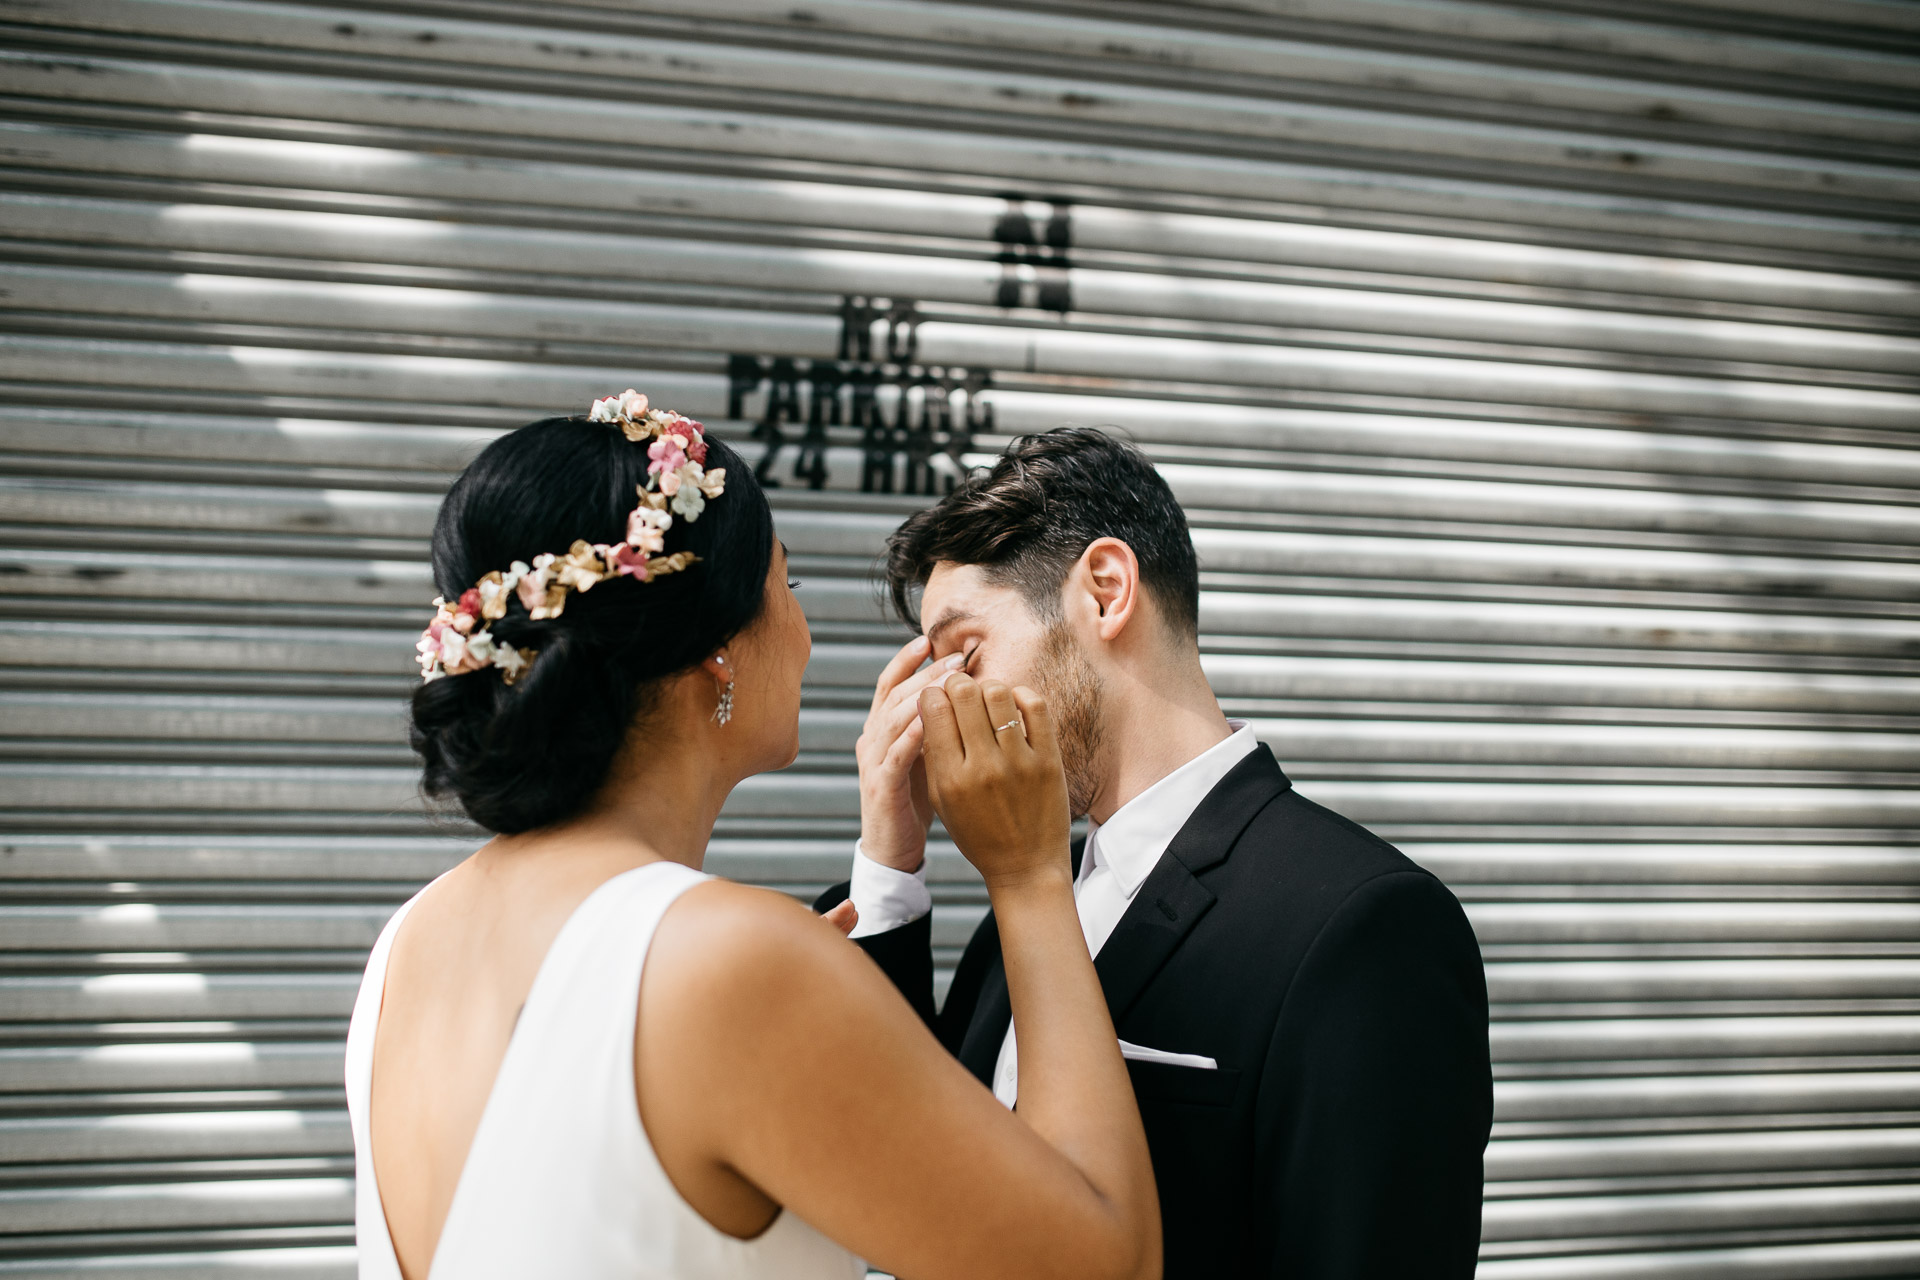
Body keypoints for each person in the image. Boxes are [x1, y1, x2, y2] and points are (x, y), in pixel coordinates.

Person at [346, 394, 1162, 1280]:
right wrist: (1030, 874)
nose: (806, 634)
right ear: (716, 648)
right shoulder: (726, 964)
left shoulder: (409, 944)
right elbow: (1105, 1262)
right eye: (787, 585)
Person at [823, 427, 1493, 1278]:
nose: (936, 701)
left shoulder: (1364, 923)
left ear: (1105, 591)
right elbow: (909, 1179)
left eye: (962, 652)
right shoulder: (1024, 917)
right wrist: (891, 856)